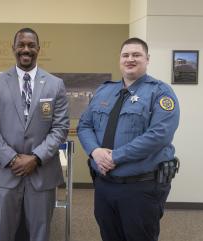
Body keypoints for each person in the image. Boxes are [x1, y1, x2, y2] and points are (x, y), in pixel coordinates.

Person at [77, 38, 180, 241]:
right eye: (126, 55)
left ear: (147, 59)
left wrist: (115, 157)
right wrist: (95, 152)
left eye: (136, 55)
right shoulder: (104, 91)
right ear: (120, 59)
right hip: (104, 185)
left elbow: (159, 135)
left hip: (140, 188)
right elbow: (84, 125)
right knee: (109, 235)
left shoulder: (160, 92)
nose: (130, 59)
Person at [0, 28, 69, 241]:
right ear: (14, 48)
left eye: (31, 45)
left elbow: (60, 128)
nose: (26, 49)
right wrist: (12, 159)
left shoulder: (55, 84)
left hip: (42, 174)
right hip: (5, 174)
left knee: (41, 234)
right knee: (2, 234)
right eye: (21, 45)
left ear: (39, 49)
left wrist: (36, 158)